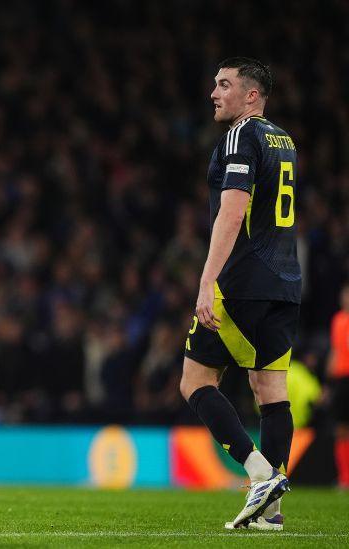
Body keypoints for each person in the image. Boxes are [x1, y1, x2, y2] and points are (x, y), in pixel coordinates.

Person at [182, 57, 299, 531]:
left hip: (242, 281)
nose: (214, 92)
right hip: (285, 281)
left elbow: (232, 212)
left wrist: (208, 279)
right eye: (214, 83)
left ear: (251, 95)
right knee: (270, 390)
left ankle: (258, 474)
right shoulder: (283, 139)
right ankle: (270, 513)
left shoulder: (241, 134)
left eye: (225, 84)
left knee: (194, 382)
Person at [328, 284, 349, 488]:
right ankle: (344, 478)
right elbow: (335, 350)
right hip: (342, 380)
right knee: (341, 429)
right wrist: (329, 383)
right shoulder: (338, 319)